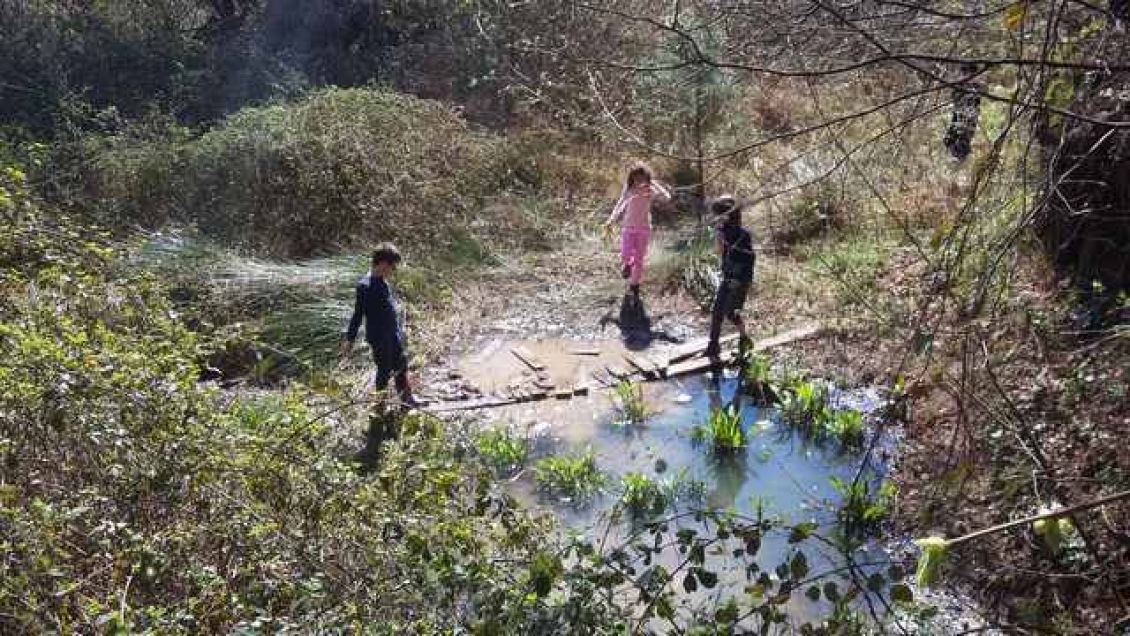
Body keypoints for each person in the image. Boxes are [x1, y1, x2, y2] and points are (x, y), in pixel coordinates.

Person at [340, 243, 419, 409]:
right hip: (378, 336)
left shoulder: (382, 281)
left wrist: (399, 330)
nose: (394, 270)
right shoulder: (366, 286)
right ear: (383, 263)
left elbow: (388, 309)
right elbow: (358, 314)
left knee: (401, 364)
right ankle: (379, 406)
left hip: (391, 333)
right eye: (392, 266)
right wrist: (349, 339)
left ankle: (407, 401)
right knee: (384, 370)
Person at [604, 162, 671, 300]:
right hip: (628, 227)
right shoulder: (629, 189)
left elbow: (666, 197)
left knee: (639, 259)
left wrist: (653, 183)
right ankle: (627, 264)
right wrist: (611, 220)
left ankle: (635, 285)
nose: (639, 181)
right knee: (625, 254)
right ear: (632, 178)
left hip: (644, 228)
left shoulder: (649, 190)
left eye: (642, 178)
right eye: (636, 178)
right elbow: (620, 205)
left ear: (647, 178)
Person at [705, 195, 755, 359]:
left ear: (725, 215)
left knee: (728, 312)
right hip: (734, 277)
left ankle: (743, 338)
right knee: (720, 311)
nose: (715, 218)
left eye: (717, 214)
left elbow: (721, 252)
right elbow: (722, 252)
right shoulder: (734, 232)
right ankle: (714, 345)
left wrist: (719, 238)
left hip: (737, 279)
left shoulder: (734, 233)